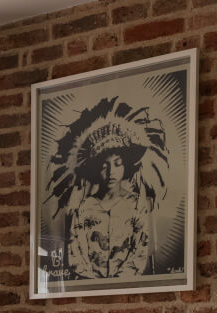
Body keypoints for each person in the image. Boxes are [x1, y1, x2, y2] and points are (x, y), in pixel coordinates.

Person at [44, 97, 169, 282]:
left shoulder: (136, 206)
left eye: (117, 164)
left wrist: (118, 282)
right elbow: (75, 252)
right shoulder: (84, 207)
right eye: (104, 165)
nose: (111, 172)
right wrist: (95, 283)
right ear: (97, 169)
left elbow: (139, 251)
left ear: (125, 167)